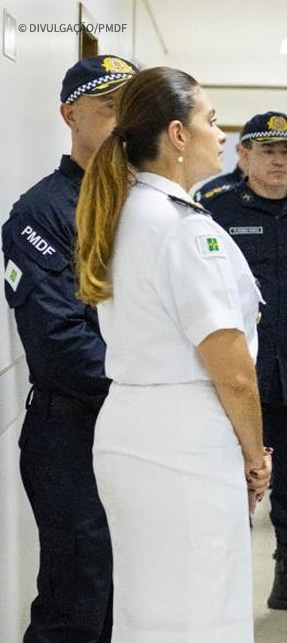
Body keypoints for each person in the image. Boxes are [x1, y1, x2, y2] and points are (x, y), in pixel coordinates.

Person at [74, 66, 272, 641]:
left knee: (148, 614)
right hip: (185, 441)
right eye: (211, 120)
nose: (222, 133)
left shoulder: (125, 211)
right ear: (178, 135)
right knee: (204, 614)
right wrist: (256, 458)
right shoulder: (186, 230)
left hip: (132, 430)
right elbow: (233, 373)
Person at [2, 54, 137, 642]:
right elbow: (59, 343)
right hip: (72, 432)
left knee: (128, 595)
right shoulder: (40, 212)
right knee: (77, 597)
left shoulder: (148, 203)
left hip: (138, 430)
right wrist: (152, 383)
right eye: (108, 106)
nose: (121, 120)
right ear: (69, 114)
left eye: (131, 108)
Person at [199, 111, 287, 616]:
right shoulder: (212, 206)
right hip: (237, 375)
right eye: (268, 150)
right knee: (229, 477)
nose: (280, 160)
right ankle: (219, 583)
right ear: (244, 155)